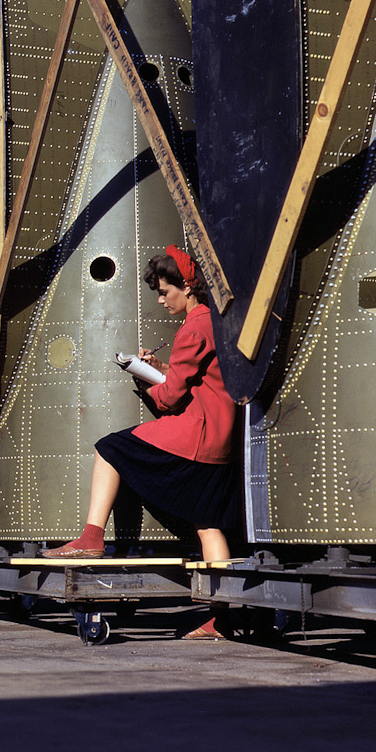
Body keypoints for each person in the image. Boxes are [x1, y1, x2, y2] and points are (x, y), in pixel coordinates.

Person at [41, 245, 238, 638]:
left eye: (165, 292)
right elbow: (194, 377)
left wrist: (140, 375)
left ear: (187, 286)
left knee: (110, 447)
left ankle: (92, 537)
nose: (162, 300)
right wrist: (161, 368)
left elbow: (170, 398)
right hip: (222, 442)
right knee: (207, 524)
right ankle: (222, 617)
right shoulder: (216, 322)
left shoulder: (193, 328)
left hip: (196, 434)